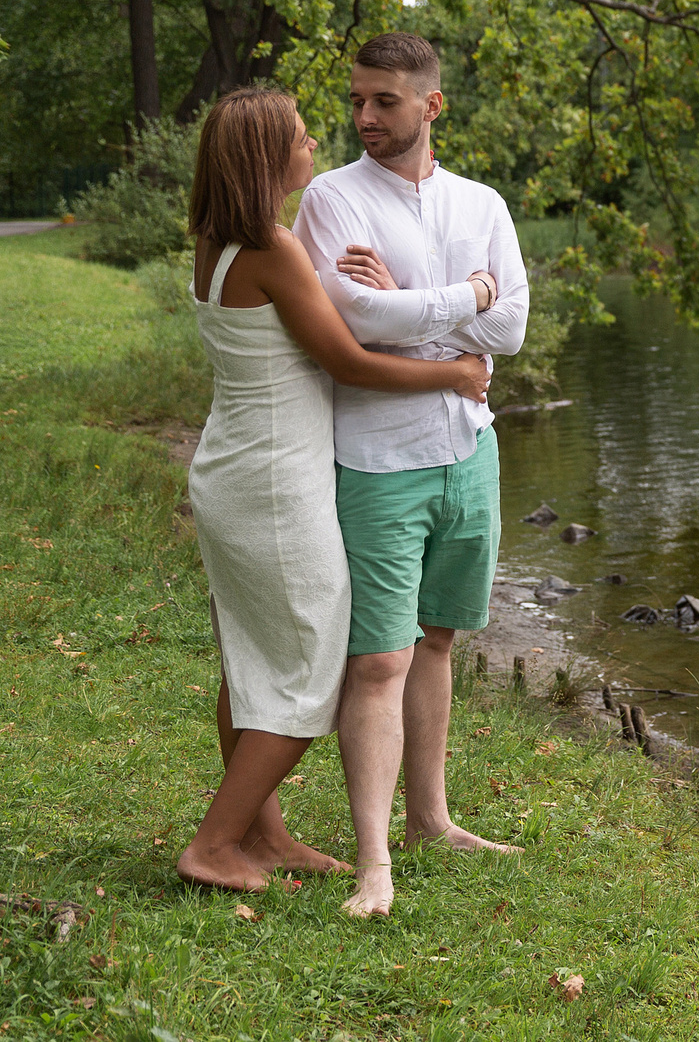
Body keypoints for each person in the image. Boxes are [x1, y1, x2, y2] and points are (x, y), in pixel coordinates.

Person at [174, 87, 493, 894]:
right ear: (265, 158)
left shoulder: (215, 239)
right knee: (313, 669)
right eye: (301, 135)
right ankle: (214, 844)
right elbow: (348, 360)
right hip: (275, 483)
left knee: (250, 659)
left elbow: (342, 327)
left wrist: (387, 295)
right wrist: (454, 367)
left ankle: (264, 833)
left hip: (234, 468)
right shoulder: (274, 248)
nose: (315, 143)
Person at [291, 31, 529, 918]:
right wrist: (465, 301)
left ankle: (431, 818)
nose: (363, 117)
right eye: (356, 99)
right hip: (379, 459)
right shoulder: (330, 198)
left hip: (471, 448)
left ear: (431, 106)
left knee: (437, 639)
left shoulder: (484, 205)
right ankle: (374, 861)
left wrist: (412, 312)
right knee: (381, 656)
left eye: (383, 101)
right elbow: (353, 316)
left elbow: (512, 330)